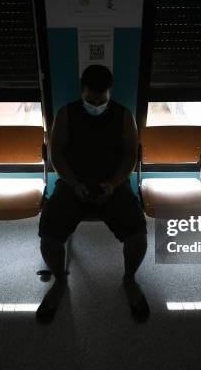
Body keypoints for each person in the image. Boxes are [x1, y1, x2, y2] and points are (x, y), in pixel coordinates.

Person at [36, 65, 149, 323]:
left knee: (138, 237)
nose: (96, 104)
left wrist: (115, 183)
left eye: (102, 100)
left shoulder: (123, 115)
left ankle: (129, 280)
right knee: (49, 238)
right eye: (90, 100)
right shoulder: (66, 114)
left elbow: (131, 156)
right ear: (82, 91)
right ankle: (60, 283)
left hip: (114, 185)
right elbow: (58, 157)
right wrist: (74, 183)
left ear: (110, 93)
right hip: (73, 184)